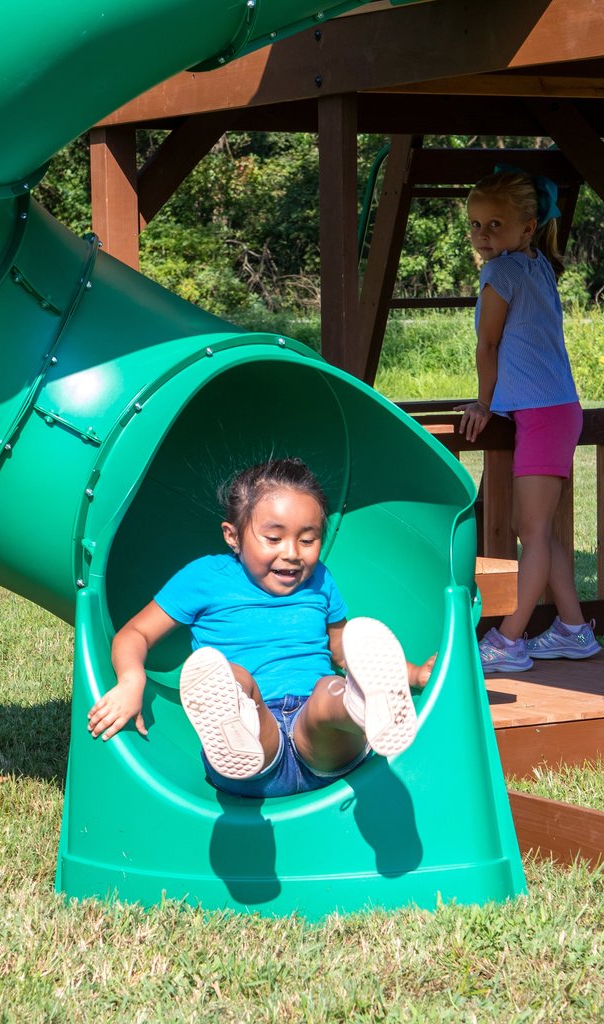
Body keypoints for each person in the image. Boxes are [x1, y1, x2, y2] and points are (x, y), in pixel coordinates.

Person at [87, 458, 436, 798]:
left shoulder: (320, 581)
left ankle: (363, 707)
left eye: (307, 539)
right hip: (253, 747)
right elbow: (136, 633)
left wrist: (416, 674)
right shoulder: (205, 578)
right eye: (273, 538)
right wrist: (131, 681)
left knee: (330, 690)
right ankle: (233, 727)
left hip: (323, 748)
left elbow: (346, 653)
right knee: (235, 678)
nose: (292, 553)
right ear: (233, 536)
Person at [458, 168, 601, 672]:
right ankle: (573, 629)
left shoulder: (501, 272)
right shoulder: (539, 265)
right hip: (557, 411)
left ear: (527, 226)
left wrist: (481, 403)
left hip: (542, 415)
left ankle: (510, 640)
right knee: (538, 529)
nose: (481, 235)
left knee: (531, 530)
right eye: (475, 224)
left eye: (494, 225)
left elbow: (489, 343)